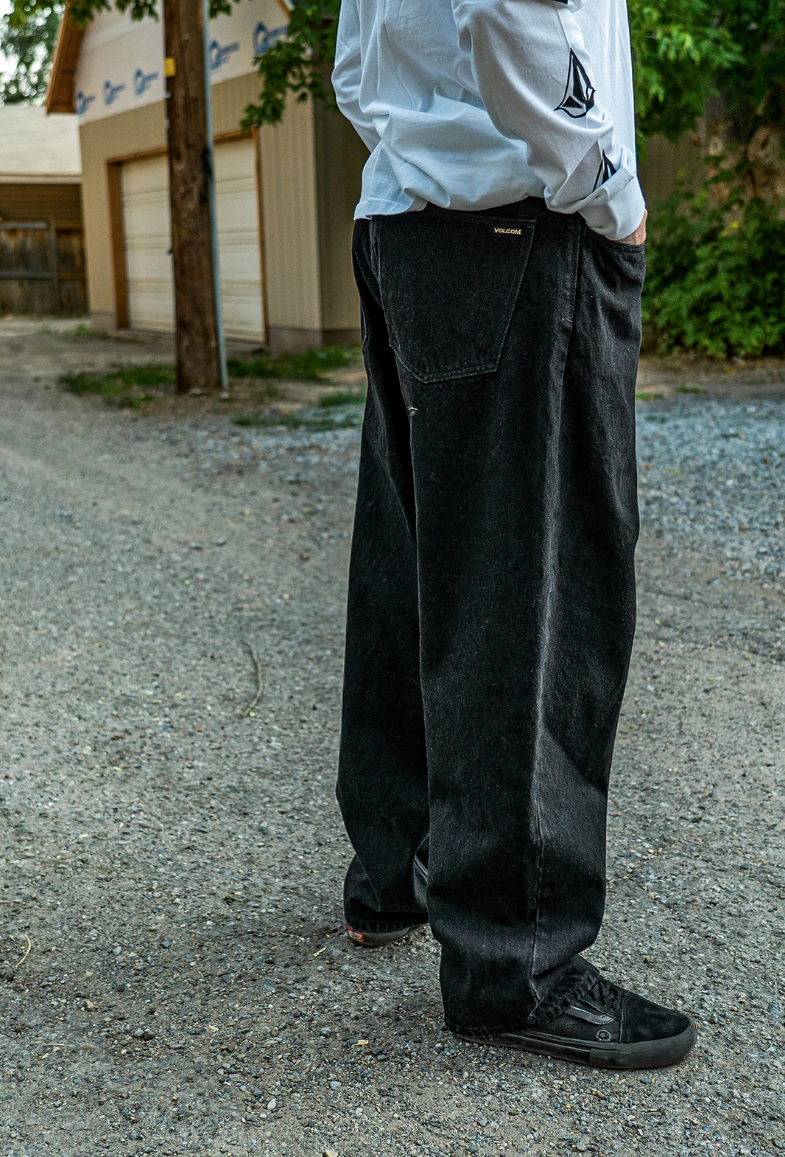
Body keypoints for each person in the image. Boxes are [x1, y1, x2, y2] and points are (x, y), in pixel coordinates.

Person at [332, 0, 696, 1069]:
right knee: (533, 588)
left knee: (417, 563)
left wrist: (419, 142)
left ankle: (398, 867)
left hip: (409, 219)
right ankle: (514, 955)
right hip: (521, 223)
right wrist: (608, 187)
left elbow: (357, 64)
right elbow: (508, 11)